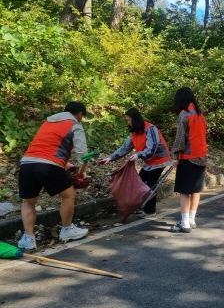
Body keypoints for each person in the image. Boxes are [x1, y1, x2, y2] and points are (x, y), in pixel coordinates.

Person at [17, 102, 90, 250]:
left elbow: (48, 147)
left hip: (27, 164)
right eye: (82, 116)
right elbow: (83, 154)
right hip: (48, 165)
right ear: (80, 114)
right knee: (68, 194)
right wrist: (83, 172)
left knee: (28, 201)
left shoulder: (48, 122)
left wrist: (66, 164)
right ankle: (67, 230)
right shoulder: (74, 124)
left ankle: (28, 239)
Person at [97, 108, 171, 217]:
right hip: (149, 162)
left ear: (135, 119)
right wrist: (110, 158)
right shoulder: (135, 133)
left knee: (149, 185)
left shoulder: (150, 129)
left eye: (128, 120)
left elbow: (153, 147)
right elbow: (125, 148)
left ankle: (150, 210)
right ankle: (141, 206)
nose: (127, 123)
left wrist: (138, 155)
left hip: (160, 160)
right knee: (139, 183)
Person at [170, 87, 207, 233]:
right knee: (196, 190)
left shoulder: (184, 115)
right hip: (202, 156)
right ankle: (191, 219)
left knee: (185, 191)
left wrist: (176, 156)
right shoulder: (200, 114)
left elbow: (180, 139)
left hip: (188, 157)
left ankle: (184, 223)